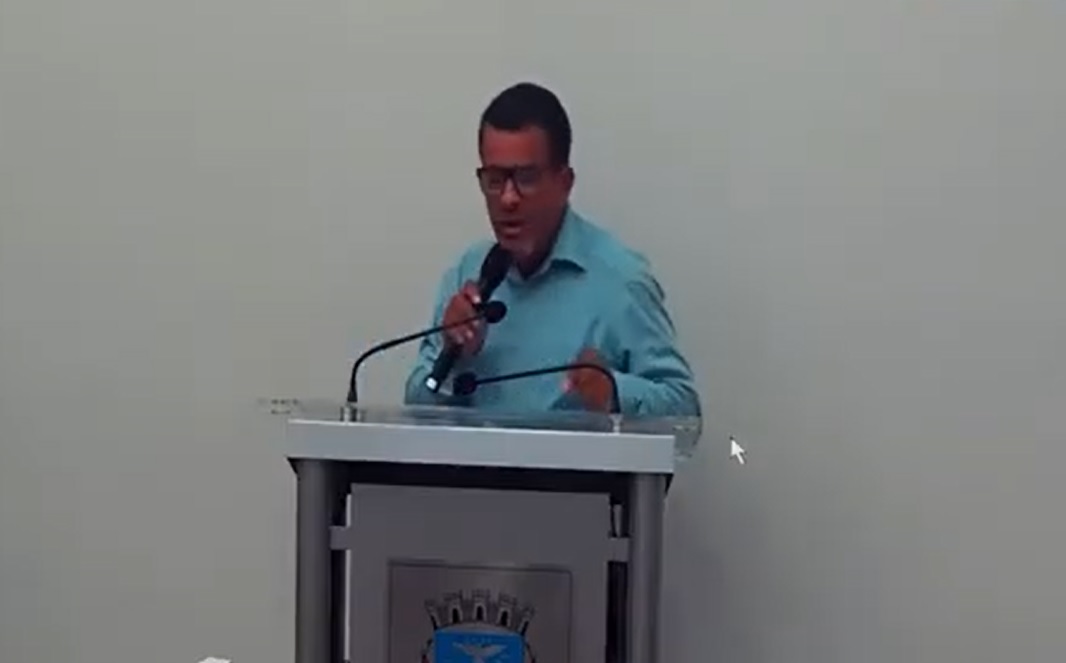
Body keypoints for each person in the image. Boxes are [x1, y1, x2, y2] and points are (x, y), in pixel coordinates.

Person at [404, 82, 700, 418]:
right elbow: (416, 408)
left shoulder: (619, 279)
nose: (508, 198)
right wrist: (454, 357)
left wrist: (613, 392)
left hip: (577, 455)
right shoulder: (468, 272)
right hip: (475, 455)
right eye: (495, 179)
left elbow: (685, 412)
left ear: (565, 182)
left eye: (526, 178)